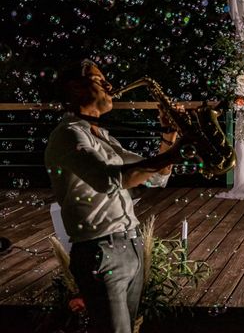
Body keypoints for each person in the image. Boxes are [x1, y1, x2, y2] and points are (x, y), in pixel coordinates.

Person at [44, 59, 186, 333]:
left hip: (128, 246)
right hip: (99, 252)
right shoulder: (69, 135)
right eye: (100, 80)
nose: (110, 85)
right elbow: (110, 180)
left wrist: (169, 136)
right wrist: (178, 151)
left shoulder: (102, 136)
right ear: (75, 88)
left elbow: (158, 176)